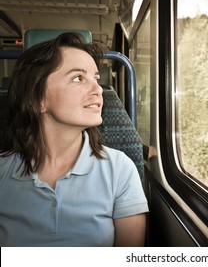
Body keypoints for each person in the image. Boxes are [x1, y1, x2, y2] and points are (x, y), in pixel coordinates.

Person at [0, 32, 149, 247]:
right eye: (78, 78)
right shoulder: (3, 171)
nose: (98, 89)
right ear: (38, 98)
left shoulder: (120, 169)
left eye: (96, 79)